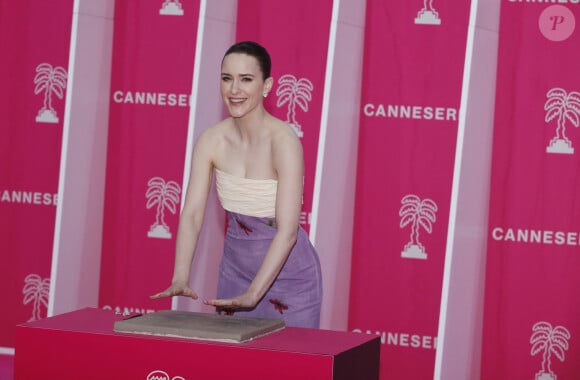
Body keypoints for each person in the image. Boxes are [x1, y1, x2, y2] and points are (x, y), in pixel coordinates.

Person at [151, 41, 322, 328]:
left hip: (290, 279)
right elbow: (192, 214)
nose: (234, 90)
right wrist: (180, 276)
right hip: (235, 273)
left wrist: (254, 294)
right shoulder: (211, 140)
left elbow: (288, 232)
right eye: (227, 78)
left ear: (267, 85)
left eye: (246, 79)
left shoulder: (284, 141)